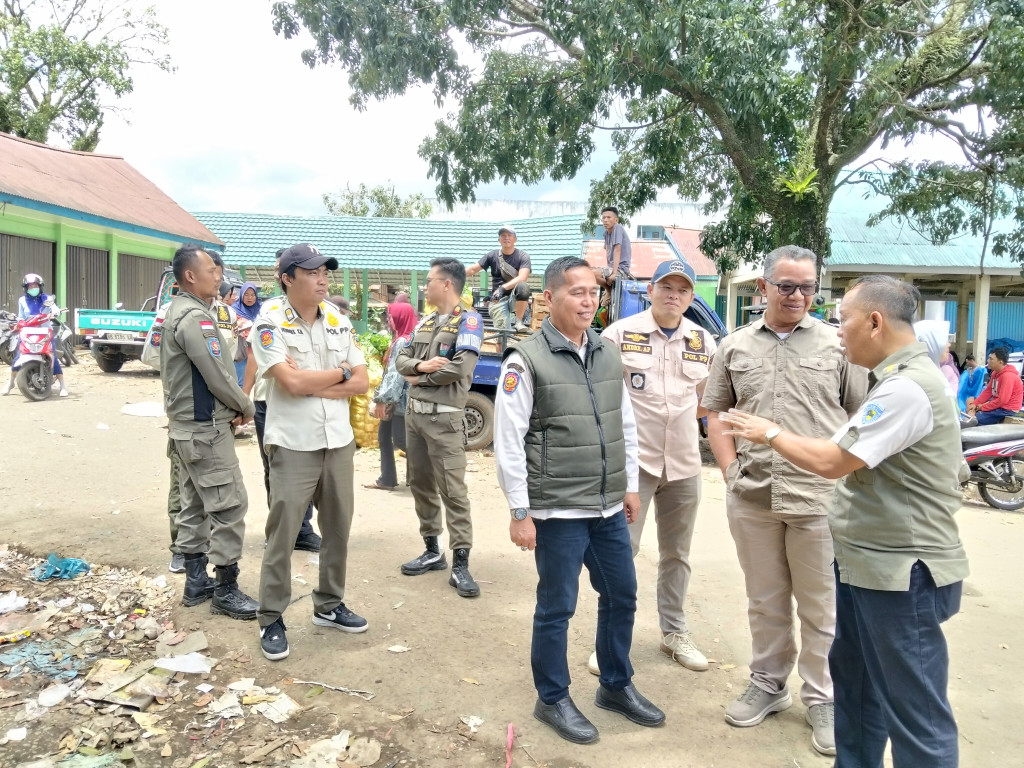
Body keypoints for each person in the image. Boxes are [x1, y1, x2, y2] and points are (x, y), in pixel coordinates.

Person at [719, 275, 969, 768]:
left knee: (915, 713)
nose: (838, 332)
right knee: (856, 690)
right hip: (864, 565)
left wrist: (768, 431)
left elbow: (834, 461)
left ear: (875, 322)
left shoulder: (907, 389)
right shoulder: (891, 381)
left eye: (845, 320)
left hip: (902, 573)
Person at [702, 245, 867, 756]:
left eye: (808, 287)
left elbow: (861, 417)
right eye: (787, 286)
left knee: (822, 607)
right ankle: (769, 684)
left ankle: (823, 699)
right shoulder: (733, 346)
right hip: (752, 496)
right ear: (764, 288)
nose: (798, 296)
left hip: (820, 499)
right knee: (766, 600)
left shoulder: (839, 347)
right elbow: (716, 413)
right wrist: (729, 470)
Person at [495, 256, 663, 745]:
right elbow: (508, 439)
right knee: (557, 606)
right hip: (558, 510)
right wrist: (520, 511)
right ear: (551, 298)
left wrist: (629, 485)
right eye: (577, 292)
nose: (589, 301)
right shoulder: (524, 360)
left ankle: (614, 684)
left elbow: (624, 423)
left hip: (608, 507)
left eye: (594, 292)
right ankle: (551, 698)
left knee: (621, 594)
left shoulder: (608, 353)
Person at [251, 243, 369, 661]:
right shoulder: (268, 321)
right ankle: (271, 617)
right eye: (313, 272)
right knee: (282, 533)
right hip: (293, 443)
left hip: (337, 441)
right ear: (287, 278)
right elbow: (290, 384)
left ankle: (330, 604)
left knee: (337, 529)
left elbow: (362, 381)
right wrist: (338, 374)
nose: (323, 279)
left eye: (326, 272)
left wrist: (326, 377)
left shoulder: (337, 318)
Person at [598, 259, 714, 676]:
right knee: (620, 552)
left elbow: (712, 401)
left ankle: (674, 632)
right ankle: (612, 640)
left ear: (691, 297)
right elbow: (600, 398)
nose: (674, 295)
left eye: (683, 289)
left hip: (684, 465)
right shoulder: (619, 335)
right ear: (651, 290)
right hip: (635, 467)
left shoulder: (703, 340)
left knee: (677, 555)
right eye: (667, 286)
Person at [160, 244, 258, 620]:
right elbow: (217, 375)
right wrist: (245, 405)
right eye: (211, 270)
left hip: (186, 432)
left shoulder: (179, 312)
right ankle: (226, 589)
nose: (218, 276)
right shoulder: (195, 320)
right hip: (205, 431)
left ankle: (196, 581)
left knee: (194, 505)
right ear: (190, 276)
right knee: (229, 507)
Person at [394, 257, 484, 597]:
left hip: (445, 419)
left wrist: (418, 378)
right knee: (419, 484)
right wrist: (418, 364)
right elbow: (400, 359)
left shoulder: (470, 322)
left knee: (453, 491)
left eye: (429, 281)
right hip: (415, 418)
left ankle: (460, 562)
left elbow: (460, 367)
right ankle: (433, 550)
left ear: (446, 284)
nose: (425, 287)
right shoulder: (426, 321)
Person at [242, 252, 320, 552]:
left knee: (309, 465)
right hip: (269, 401)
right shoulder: (270, 310)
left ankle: (302, 528)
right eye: (278, 269)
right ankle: (281, 530)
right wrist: (244, 397)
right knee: (276, 467)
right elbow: (253, 354)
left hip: (305, 399)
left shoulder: (321, 312)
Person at [366, 301, 418, 491]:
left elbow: (396, 374)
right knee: (384, 438)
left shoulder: (404, 341)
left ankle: (427, 475)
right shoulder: (402, 339)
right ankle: (387, 479)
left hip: (399, 400)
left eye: (391, 316)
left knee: (401, 440)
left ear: (401, 317)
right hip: (395, 398)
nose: (388, 320)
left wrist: (382, 400)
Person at [2, 273, 68, 397]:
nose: (33, 288)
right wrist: (19, 322)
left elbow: (53, 308)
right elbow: (21, 316)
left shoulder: (47, 298)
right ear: (26, 288)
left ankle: (62, 385)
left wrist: (55, 312)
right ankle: (10, 383)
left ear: (40, 286)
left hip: (44, 332)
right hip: (28, 332)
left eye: (35, 285)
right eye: (30, 286)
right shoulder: (22, 300)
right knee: (19, 356)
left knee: (52, 355)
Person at [466, 224, 532, 332]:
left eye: (509, 235)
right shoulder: (492, 255)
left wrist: (502, 289)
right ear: (499, 240)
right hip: (498, 300)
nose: (506, 238)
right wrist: (454, 275)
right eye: (503, 235)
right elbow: (473, 269)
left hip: (515, 298)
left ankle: (519, 322)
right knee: (502, 335)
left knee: (523, 287)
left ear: (515, 239)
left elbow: (522, 277)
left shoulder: (523, 256)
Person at [964, 347, 1023, 425]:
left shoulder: (1007, 376)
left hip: (1007, 409)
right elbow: (988, 391)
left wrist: (983, 407)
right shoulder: (995, 373)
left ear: (1000, 362)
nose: (988, 361)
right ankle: (971, 414)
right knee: (970, 401)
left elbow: (1002, 400)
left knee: (976, 420)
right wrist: (975, 403)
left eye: (991, 359)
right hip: (998, 405)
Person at [232, 282, 262, 385]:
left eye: (253, 295)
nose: (250, 298)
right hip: (241, 351)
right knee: (240, 382)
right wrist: (238, 326)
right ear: (241, 295)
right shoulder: (233, 309)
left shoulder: (261, 309)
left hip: (258, 350)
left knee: (258, 381)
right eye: (246, 294)